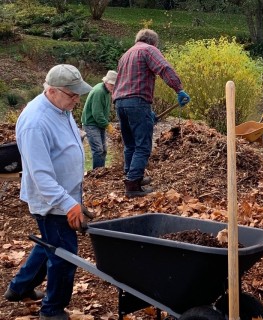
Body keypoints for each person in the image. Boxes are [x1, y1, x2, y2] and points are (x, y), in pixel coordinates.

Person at [4, 64, 92, 320]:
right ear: (52, 91)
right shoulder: (36, 122)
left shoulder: (61, 107)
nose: (76, 99)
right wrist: (69, 204)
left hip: (66, 196)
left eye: (78, 94)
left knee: (49, 245)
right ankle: (52, 310)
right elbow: (41, 175)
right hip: (52, 202)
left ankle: (19, 288)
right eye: (71, 95)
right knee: (64, 256)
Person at [113, 28, 190, 198]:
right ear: (153, 42)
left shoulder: (126, 55)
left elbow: (130, 82)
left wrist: (148, 112)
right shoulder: (148, 50)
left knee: (130, 144)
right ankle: (133, 184)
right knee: (142, 145)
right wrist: (179, 90)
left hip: (120, 102)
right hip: (137, 102)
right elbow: (164, 68)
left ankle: (131, 177)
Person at [81, 70, 118, 169]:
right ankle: (96, 174)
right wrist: (108, 125)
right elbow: (97, 114)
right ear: (106, 82)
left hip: (99, 123)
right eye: (112, 85)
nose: (113, 87)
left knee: (103, 150)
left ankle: (101, 171)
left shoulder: (106, 91)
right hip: (91, 123)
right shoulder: (99, 91)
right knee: (98, 150)